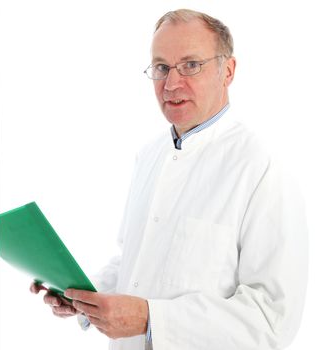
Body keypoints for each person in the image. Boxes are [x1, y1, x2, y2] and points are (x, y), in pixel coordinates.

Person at [31, 8, 308, 350]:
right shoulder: (149, 155)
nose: (172, 83)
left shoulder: (260, 166)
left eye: (191, 65)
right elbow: (134, 260)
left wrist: (151, 320)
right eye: (161, 67)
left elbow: (272, 319)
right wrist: (84, 296)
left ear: (228, 71)